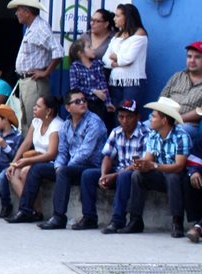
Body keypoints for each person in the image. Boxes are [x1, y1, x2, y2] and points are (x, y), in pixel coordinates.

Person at [21, 88, 107, 230]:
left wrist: (64, 167)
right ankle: (25, 210)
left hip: (91, 166)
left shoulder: (94, 122)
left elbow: (85, 152)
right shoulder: (66, 125)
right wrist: (58, 166)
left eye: (84, 100)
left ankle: (59, 217)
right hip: (70, 167)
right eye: (77, 101)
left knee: (64, 171)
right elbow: (62, 151)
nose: (83, 103)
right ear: (68, 107)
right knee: (37, 168)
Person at [110, 97, 191, 236]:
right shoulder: (153, 135)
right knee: (137, 175)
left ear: (164, 120)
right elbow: (148, 159)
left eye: (153, 116)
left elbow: (179, 166)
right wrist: (142, 165)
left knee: (173, 177)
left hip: (178, 177)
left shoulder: (181, 135)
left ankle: (177, 222)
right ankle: (135, 220)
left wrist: (153, 165)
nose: (150, 118)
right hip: (159, 175)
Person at [85, 99, 147, 232]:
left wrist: (114, 175)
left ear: (138, 117)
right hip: (118, 170)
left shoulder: (145, 134)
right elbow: (107, 156)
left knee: (123, 177)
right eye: (121, 117)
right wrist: (103, 175)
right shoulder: (116, 132)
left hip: (134, 173)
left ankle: (118, 220)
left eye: (129, 117)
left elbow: (139, 164)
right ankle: (89, 218)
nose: (125, 121)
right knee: (88, 175)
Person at [8, 0, 63, 129]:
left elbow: (58, 51)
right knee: (27, 120)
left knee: (35, 120)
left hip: (34, 82)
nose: (16, 13)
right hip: (26, 81)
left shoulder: (40, 28)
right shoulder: (32, 28)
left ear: (27, 12)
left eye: (19, 10)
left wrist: (45, 72)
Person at [5, 94, 62, 221]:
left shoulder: (57, 125)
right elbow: (26, 143)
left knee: (26, 171)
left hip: (51, 161)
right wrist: (14, 162)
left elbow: (51, 154)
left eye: (38, 106)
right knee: (13, 173)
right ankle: (32, 210)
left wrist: (26, 161)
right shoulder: (36, 121)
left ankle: (31, 210)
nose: (34, 108)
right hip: (34, 159)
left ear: (48, 111)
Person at [103, 3, 148, 109]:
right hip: (115, 80)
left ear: (127, 17)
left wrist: (116, 57)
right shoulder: (117, 35)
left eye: (118, 16)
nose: (114, 19)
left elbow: (128, 58)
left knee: (128, 113)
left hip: (132, 82)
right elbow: (105, 58)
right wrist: (114, 62)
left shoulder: (139, 34)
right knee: (115, 113)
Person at [156, 40, 202, 141]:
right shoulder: (177, 76)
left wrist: (177, 119)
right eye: (189, 56)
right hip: (164, 119)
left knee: (178, 133)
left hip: (187, 124)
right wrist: (161, 117)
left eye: (197, 57)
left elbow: (201, 111)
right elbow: (162, 98)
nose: (192, 60)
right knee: (142, 129)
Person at [68, 39, 111, 124]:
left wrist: (108, 102)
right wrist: (93, 91)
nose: (93, 49)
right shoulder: (75, 67)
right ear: (80, 53)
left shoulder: (98, 64)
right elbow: (74, 87)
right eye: (89, 47)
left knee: (97, 125)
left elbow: (103, 84)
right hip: (83, 103)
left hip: (98, 103)